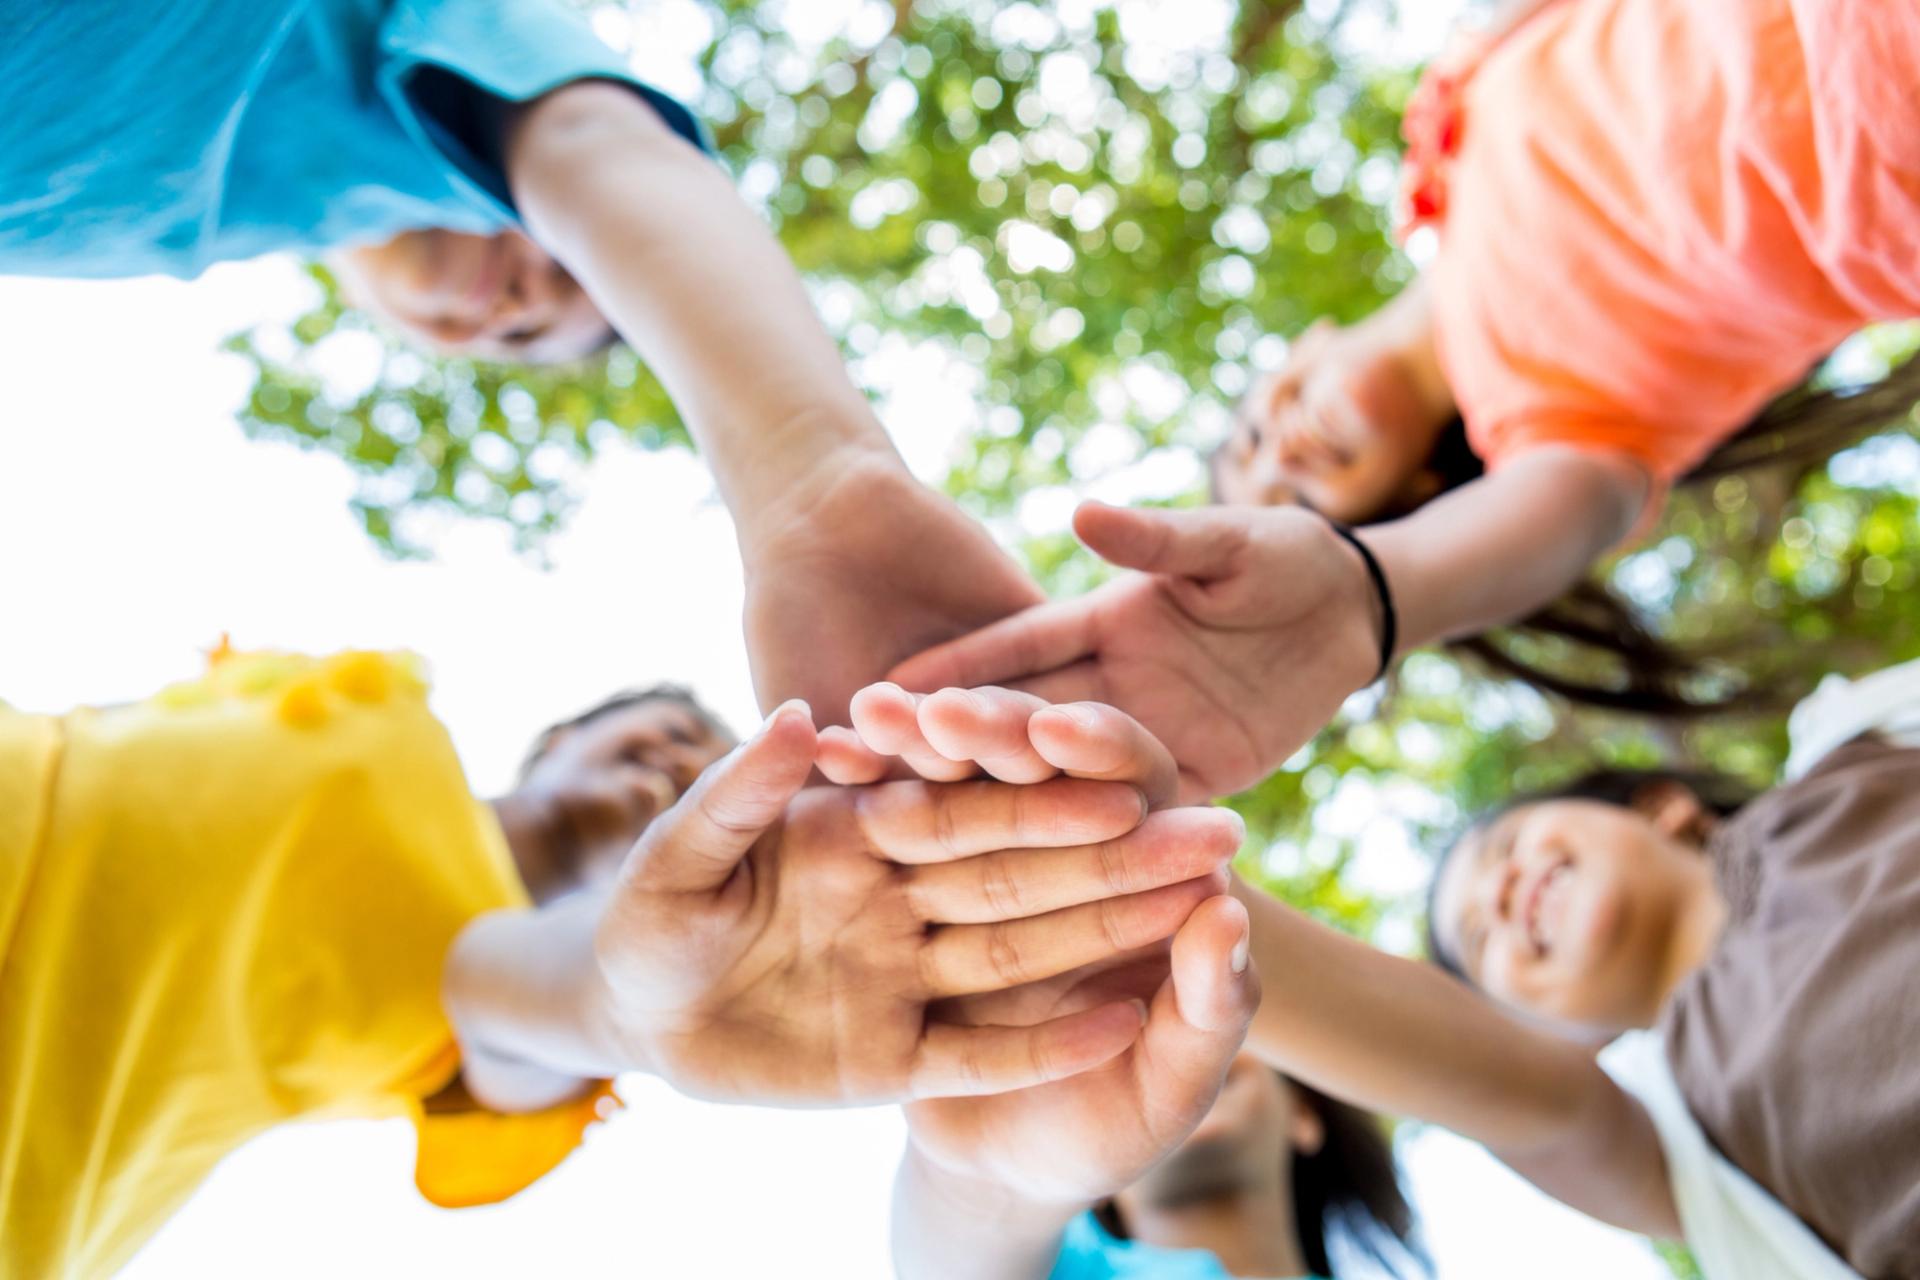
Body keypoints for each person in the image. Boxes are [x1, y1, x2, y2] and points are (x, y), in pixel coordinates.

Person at [893, 0, 1920, 797]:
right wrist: (1360, 600)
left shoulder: (1444, 134)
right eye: (1294, 505)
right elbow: (1512, 540)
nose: (1277, 451)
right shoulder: (1550, 441)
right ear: (1406, 497)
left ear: (1300, 346)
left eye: (1248, 433)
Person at [0, 650, 1235, 1276]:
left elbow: (538, 1000)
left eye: (708, 755)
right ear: (560, 735)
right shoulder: (391, 712)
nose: (683, 751)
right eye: (664, 726)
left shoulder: (494, 985)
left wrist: (620, 1006)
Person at [1222, 657, 1920, 1280]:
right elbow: (1484, 1077)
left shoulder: (1856, 746)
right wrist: (1195, 907)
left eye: (1507, 847)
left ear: (1662, 806)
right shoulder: (1679, 1139)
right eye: (1478, 939)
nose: (1500, 894)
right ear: (1553, 1035)